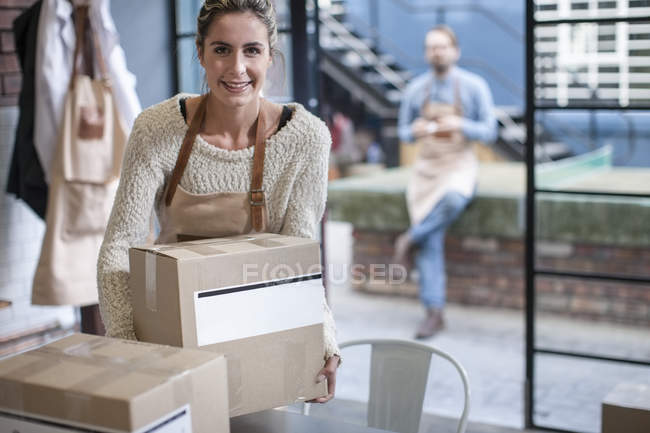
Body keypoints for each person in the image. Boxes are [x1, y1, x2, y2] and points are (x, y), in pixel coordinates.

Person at [97, 0, 340, 403]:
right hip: (170, 343)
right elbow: (118, 249)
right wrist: (129, 344)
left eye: (252, 50)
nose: (237, 68)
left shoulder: (306, 138)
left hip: (261, 335)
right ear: (201, 53)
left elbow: (297, 264)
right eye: (222, 49)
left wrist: (324, 342)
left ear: (270, 55)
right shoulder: (156, 129)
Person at [395, 25, 496, 339]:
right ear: (426, 53)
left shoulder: (473, 86)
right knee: (432, 239)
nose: (436, 52)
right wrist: (418, 129)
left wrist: (460, 124)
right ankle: (434, 312)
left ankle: (409, 238)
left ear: (455, 50)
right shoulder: (415, 89)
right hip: (427, 170)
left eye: (442, 46)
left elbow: (490, 131)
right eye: (431, 47)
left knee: (452, 199)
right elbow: (402, 132)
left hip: (459, 166)